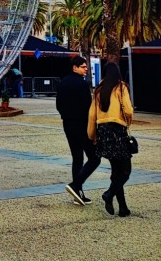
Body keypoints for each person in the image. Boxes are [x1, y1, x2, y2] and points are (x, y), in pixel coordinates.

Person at [87, 61, 134, 217]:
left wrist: (92, 135)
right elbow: (128, 109)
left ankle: (123, 208)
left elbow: (92, 115)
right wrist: (129, 122)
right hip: (117, 130)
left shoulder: (99, 90)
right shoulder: (121, 87)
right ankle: (109, 194)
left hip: (103, 131)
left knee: (116, 171)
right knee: (126, 170)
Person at [56, 55, 100, 205]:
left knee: (77, 158)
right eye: (83, 66)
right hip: (82, 125)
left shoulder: (62, 83)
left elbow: (58, 105)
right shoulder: (82, 84)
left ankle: (78, 194)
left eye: (86, 66)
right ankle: (75, 185)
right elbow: (89, 107)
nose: (86, 68)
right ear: (75, 67)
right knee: (94, 158)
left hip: (68, 125)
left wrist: (66, 115)